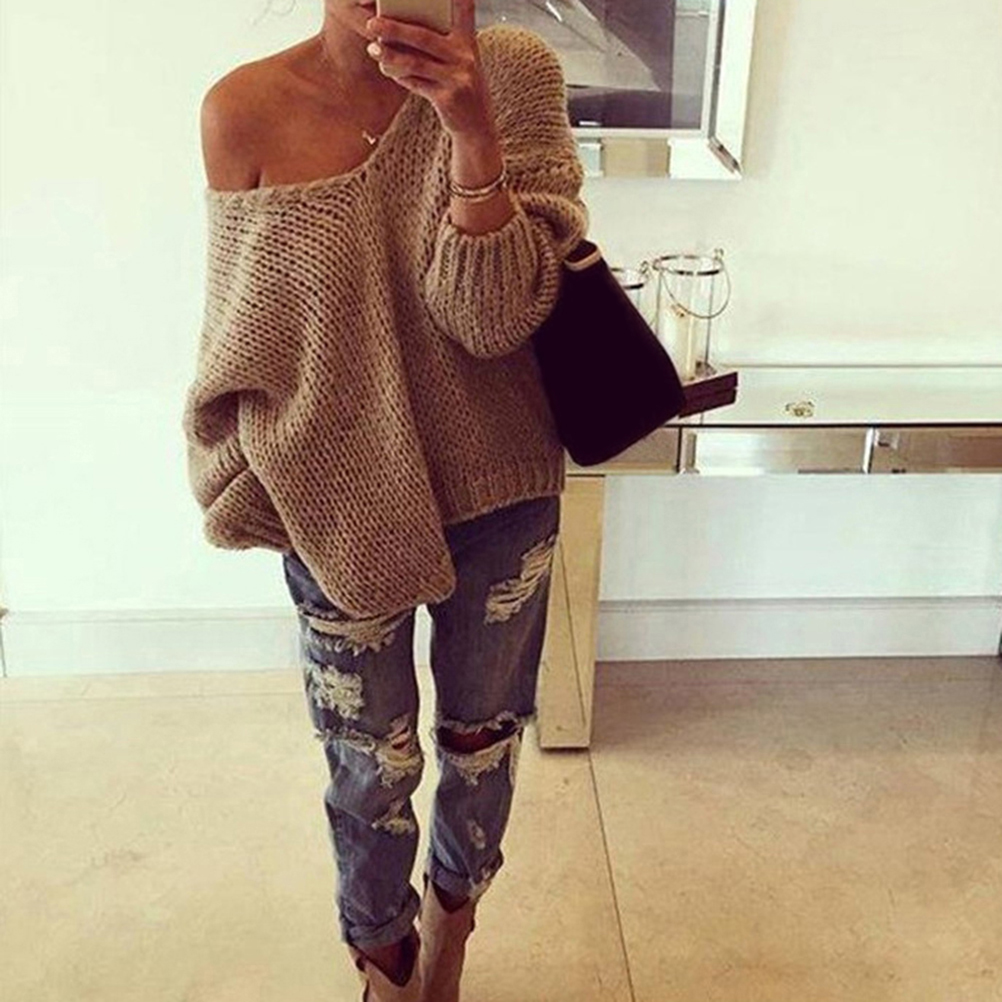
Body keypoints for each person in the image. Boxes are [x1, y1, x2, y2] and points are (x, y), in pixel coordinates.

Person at [182, 0, 588, 999]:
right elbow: (248, 335)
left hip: (499, 483)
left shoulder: (513, 73)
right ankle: (385, 961)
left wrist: (472, 134)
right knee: (367, 763)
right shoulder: (241, 110)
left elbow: (492, 319)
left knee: (482, 740)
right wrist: (241, 472)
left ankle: (452, 931)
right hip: (332, 498)